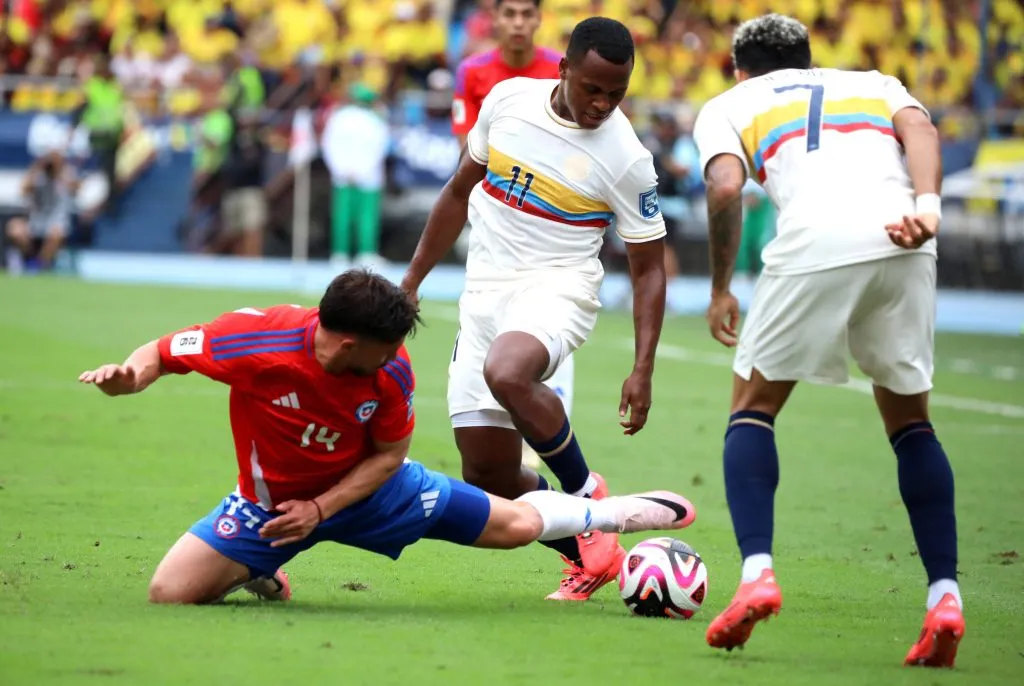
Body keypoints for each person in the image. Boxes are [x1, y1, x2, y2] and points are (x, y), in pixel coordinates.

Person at [77, 270, 695, 605]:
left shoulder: (391, 371)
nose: (397, 357)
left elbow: (392, 454)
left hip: (376, 493)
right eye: (387, 348)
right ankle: (259, 572)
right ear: (348, 344)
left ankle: (611, 513)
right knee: (169, 593)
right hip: (270, 509)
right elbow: (162, 352)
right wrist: (130, 377)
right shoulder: (255, 340)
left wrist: (322, 508)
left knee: (516, 528)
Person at [692, 14, 963, 667]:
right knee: (912, 423)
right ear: (810, 60)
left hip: (815, 240)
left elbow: (725, 187)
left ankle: (757, 574)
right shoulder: (875, 82)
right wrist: (928, 209)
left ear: (740, 69)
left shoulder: (730, 103)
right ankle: (945, 597)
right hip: (906, 235)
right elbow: (922, 131)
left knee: (752, 409)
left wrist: (721, 287)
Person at [402, 17, 680, 602]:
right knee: (488, 474)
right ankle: (588, 554)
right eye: (592, 89)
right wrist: (412, 280)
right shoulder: (508, 102)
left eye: (616, 93)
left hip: (559, 287)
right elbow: (458, 191)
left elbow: (650, 267)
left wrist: (643, 366)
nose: (602, 104)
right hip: (484, 294)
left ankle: (585, 494)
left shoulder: (627, 158)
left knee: (507, 372)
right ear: (564, 69)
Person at [451, 0, 572, 469]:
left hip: (552, 214)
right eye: (510, 14)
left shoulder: (559, 69)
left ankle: (544, 432)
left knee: (550, 310)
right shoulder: (473, 72)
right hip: (493, 212)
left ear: (539, 19)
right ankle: (493, 421)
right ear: (495, 19)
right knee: (490, 308)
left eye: (527, 14)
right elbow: (467, 147)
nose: (518, 23)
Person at [4, 150, 76, 274]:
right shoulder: (38, 177)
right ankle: (28, 260)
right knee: (15, 228)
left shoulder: (65, 177)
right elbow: (23, 190)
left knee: (56, 233)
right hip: (35, 223)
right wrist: (37, 166)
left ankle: (41, 265)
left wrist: (60, 173)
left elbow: (76, 188)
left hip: (56, 223)